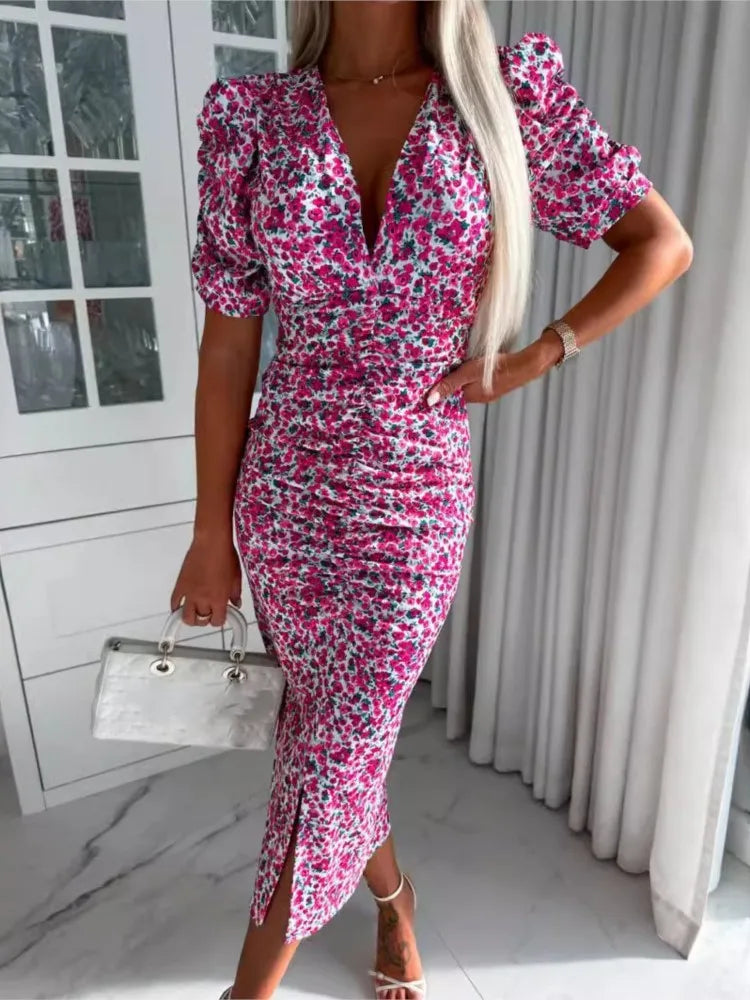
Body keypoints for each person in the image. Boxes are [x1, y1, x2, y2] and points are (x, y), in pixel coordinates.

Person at [171, 1, 692, 997]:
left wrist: (536, 355)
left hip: (415, 495)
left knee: (334, 747)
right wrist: (209, 532)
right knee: (328, 741)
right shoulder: (255, 118)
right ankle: (394, 901)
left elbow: (660, 243)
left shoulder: (500, 101)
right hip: (285, 495)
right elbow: (229, 345)